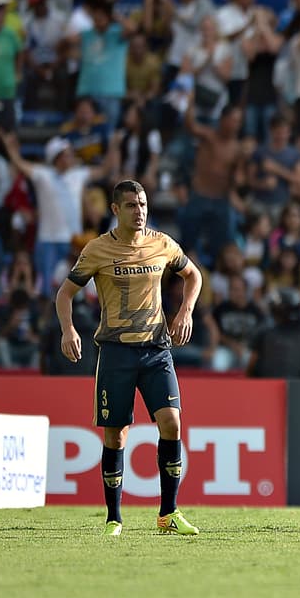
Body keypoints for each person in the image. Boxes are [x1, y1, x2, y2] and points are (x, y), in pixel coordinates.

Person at [53, 180, 204, 537]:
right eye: (133, 206)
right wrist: (68, 329)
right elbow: (65, 293)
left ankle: (168, 513)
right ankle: (114, 519)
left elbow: (193, 274)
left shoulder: (161, 243)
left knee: (172, 424)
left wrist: (186, 310)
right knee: (116, 436)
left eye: (144, 204)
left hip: (156, 349)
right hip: (116, 351)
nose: (140, 211)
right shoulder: (97, 250)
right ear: (115, 210)